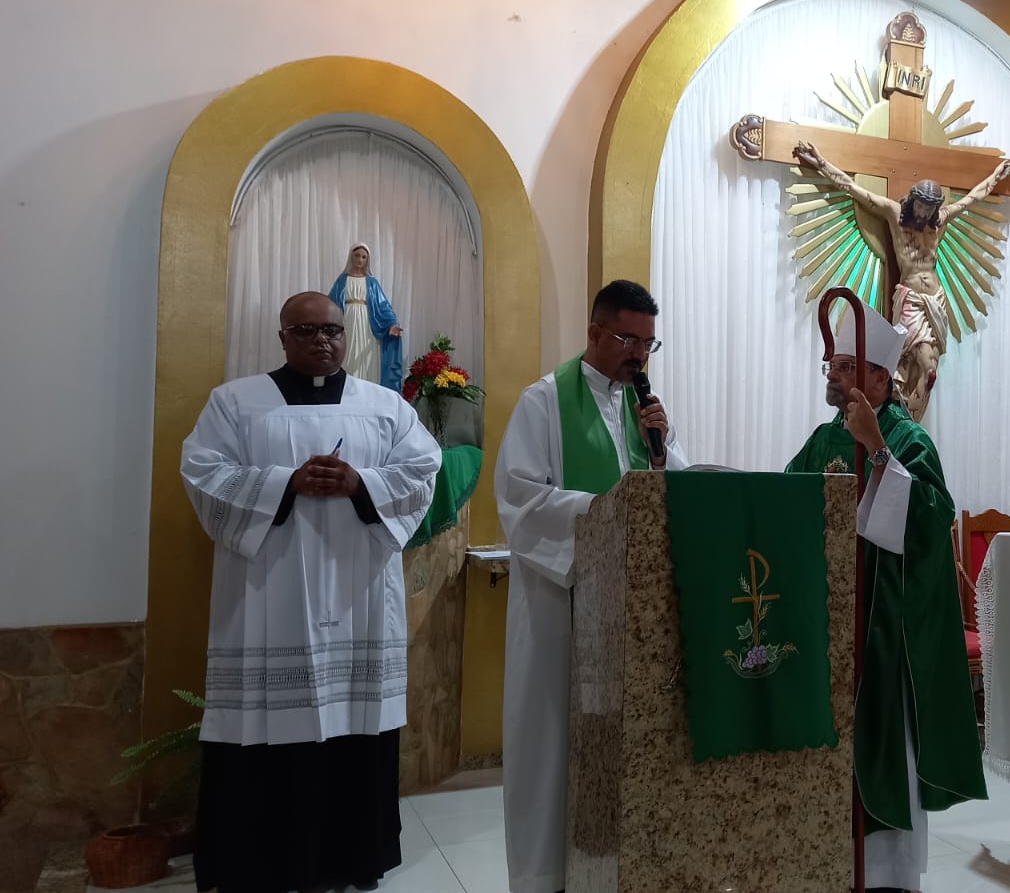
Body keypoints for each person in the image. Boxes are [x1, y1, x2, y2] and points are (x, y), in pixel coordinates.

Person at [180, 291, 441, 893]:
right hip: (267, 596)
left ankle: (354, 858)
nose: (322, 340)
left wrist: (361, 482)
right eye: (306, 330)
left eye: (332, 330)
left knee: (356, 726)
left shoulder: (384, 406)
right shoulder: (235, 402)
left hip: (359, 597)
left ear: (346, 336)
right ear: (282, 336)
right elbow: (203, 472)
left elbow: (423, 470)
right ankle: (259, 863)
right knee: (266, 729)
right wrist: (284, 482)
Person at [785, 304, 986, 893]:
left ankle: (888, 877)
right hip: (826, 625)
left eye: (846, 366)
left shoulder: (907, 438)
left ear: (879, 378)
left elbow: (930, 520)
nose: (833, 374)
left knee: (884, 750)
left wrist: (876, 449)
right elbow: (788, 504)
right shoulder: (822, 440)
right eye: (831, 364)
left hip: (884, 628)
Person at [495, 279, 687, 893]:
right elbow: (521, 499)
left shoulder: (646, 409)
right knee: (553, 741)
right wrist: (606, 510)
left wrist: (661, 453)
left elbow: (674, 493)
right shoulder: (544, 402)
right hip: (562, 601)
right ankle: (546, 876)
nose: (640, 355)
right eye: (629, 340)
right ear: (595, 333)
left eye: (649, 343)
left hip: (631, 608)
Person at [792, 141, 1010, 421]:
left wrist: (995, 177)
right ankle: (899, 415)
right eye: (921, 206)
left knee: (930, 370)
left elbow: (971, 199)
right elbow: (853, 188)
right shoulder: (894, 214)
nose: (924, 213)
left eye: (930, 209)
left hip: (935, 300)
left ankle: (911, 423)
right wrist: (821, 162)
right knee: (910, 363)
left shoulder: (939, 220)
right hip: (911, 300)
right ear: (912, 200)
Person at [328, 243, 404, 391]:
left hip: (367, 324)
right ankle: (346, 390)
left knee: (366, 358)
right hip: (347, 321)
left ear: (368, 260)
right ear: (351, 257)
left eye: (364, 257)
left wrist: (392, 323)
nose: (360, 260)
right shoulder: (342, 280)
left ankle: (367, 391)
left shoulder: (372, 282)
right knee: (348, 355)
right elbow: (331, 304)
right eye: (357, 255)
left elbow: (383, 306)